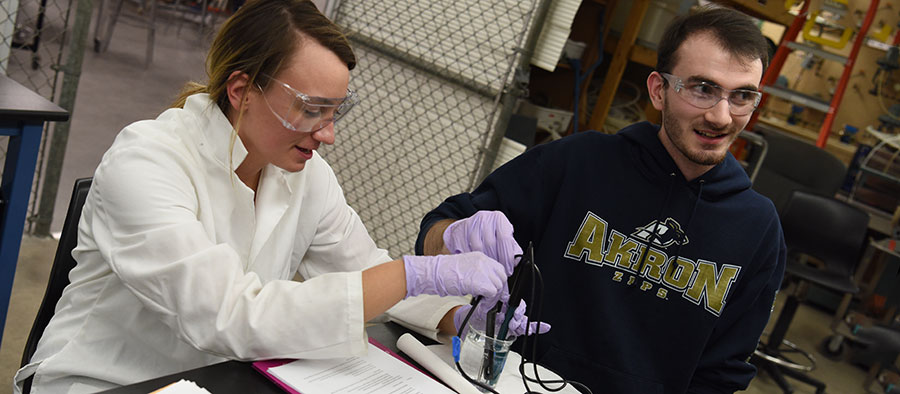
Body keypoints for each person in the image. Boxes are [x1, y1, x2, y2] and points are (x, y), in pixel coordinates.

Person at [14, 1, 540, 392]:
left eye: (336, 112)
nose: (327, 134)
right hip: (105, 383)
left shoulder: (305, 176)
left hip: (213, 380)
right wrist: (415, 270)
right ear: (241, 90)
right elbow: (229, 314)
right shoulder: (148, 160)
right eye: (312, 109)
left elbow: (364, 271)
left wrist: (458, 316)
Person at [416, 6, 786, 394]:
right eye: (703, 89)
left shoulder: (758, 229)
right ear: (659, 90)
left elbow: (722, 375)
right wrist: (457, 236)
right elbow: (433, 237)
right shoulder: (577, 162)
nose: (722, 116)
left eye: (742, 95)